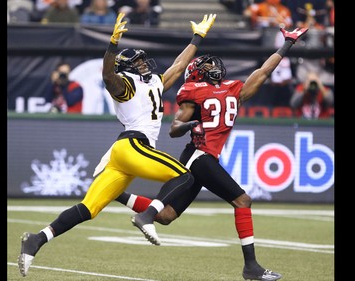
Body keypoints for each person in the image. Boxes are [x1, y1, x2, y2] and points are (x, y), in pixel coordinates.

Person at [18, 12, 216, 277]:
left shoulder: (155, 82)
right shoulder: (125, 85)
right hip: (133, 145)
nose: (145, 65)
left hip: (126, 155)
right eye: (139, 63)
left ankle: (36, 240)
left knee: (88, 209)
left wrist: (197, 37)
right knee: (185, 176)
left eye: (145, 61)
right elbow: (108, 75)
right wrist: (112, 46)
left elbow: (179, 67)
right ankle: (146, 217)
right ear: (129, 67)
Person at [115, 26, 309, 281]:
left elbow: (264, 71)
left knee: (167, 216)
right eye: (205, 65)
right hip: (197, 155)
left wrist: (287, 44)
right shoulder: (192, 91)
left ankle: (117, 194)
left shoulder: (232, 89)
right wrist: (191, 125)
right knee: (243, 200)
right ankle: (251, 268)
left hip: (206, 157)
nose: (212, 66)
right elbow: (174, 129)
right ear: (196, 73)